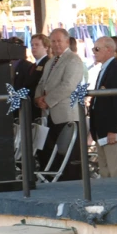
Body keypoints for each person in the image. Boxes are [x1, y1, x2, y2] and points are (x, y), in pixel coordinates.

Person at [34, 28, 86, 181]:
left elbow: (68, 85)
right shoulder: (51, 62)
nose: (56, 44)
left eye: (59, 41)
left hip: (66, 115)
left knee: (69, 156)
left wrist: (47, 101)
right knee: (54, 154)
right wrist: (38, 98)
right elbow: (41, 83)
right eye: (54, 41)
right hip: (50, 115)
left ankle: (73, 185)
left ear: (67, 42)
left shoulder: (73, 60)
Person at [88, 37, 117, 178]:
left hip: (112, 132)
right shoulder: (105, 69)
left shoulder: (116, 71)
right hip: (102, 131)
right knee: (106, 171)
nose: (94, 52)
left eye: (97, 49)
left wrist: (115, 129)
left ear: (109, 49)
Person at [13, 33, 51, 121]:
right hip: (30, 107)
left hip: (40, 108)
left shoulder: (48, 64)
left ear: (46, 47)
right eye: (32, 45)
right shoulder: (32, 66)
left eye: (37, 45)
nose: (33, 47)